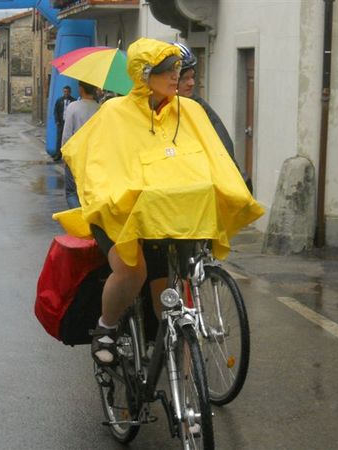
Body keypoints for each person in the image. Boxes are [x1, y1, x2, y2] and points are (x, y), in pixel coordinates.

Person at [55, 38, 263, 365]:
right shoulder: (114, 112)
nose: (175, 76)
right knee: (131, 272)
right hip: (118, 213)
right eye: (166, 70)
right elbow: (97, 166)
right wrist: (118, 197)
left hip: (166, 212)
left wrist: (228, 189)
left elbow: (214, 157)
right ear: (143, 74)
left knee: (166, 293)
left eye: (177, 69)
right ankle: (106, 328)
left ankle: (178, 377)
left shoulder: (189, 111)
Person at [173, 42, 253, 192]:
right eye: (184, 78)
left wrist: (234, 178)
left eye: (193, 77)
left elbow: (223, 146)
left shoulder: (199, 108)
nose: (191, 83)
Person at [61, 81, 100, 208]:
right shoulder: (99, 108)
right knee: (89, 191)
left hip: (75, 155)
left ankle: (79, 219)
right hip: (93, 155)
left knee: (72, 193)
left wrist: (64, 154)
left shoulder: (73, 107)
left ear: (81, 89)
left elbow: (67, 133)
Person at [53, 85, 76, 161]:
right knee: (59, 139)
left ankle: (69, 155)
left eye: (67, 92)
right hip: (61, 122)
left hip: (70, 122)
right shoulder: (59, 100)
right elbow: (55, 111)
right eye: (65, 91)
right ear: (63, 92)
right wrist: (57, 121)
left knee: (70, 139)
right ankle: (58, 155)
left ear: (70, 92)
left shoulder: (74, 101)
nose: (66, 93)